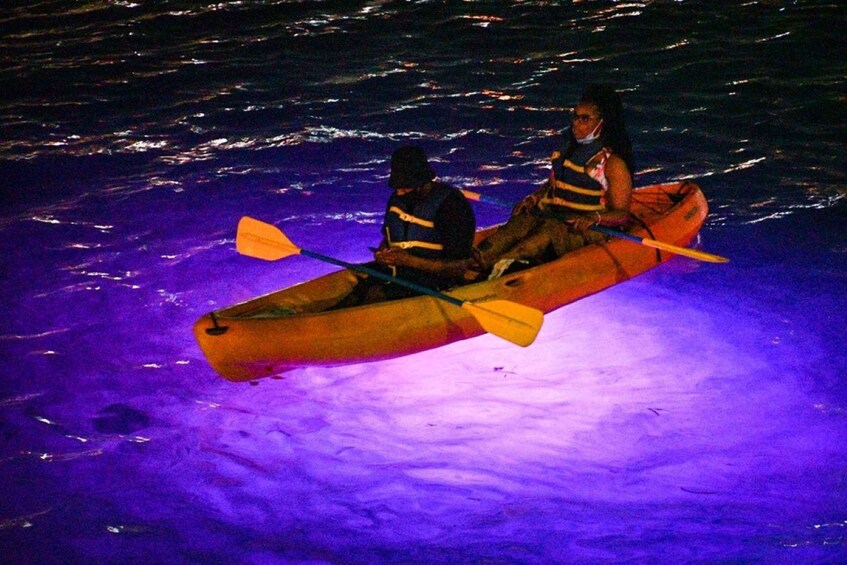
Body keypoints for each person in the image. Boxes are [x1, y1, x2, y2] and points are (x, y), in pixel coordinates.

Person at [473, 84, 634, 277]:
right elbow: (554, 184)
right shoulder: (567, 151)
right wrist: (533, 198)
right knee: (505, 236)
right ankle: (471, 267)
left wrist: (594, 218)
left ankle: (495, 277)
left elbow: (622, 214)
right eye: (576, 116)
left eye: (585, 119)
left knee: (529, 246)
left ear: (603, 122)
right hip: (552, 215)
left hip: (582, 227)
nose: (576, 123)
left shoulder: (612, 163)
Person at [334, 145, 477, 306]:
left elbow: (459, 267)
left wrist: (408, 261)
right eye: (398, 188)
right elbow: (388, 238)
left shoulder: (451, 205)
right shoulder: (398, 198)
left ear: (422, 183)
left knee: (375, 296)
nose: (400, 193)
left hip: (434, 281)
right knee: (356, 289)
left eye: (406, 187)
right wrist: (383, 253)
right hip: (398, 272)